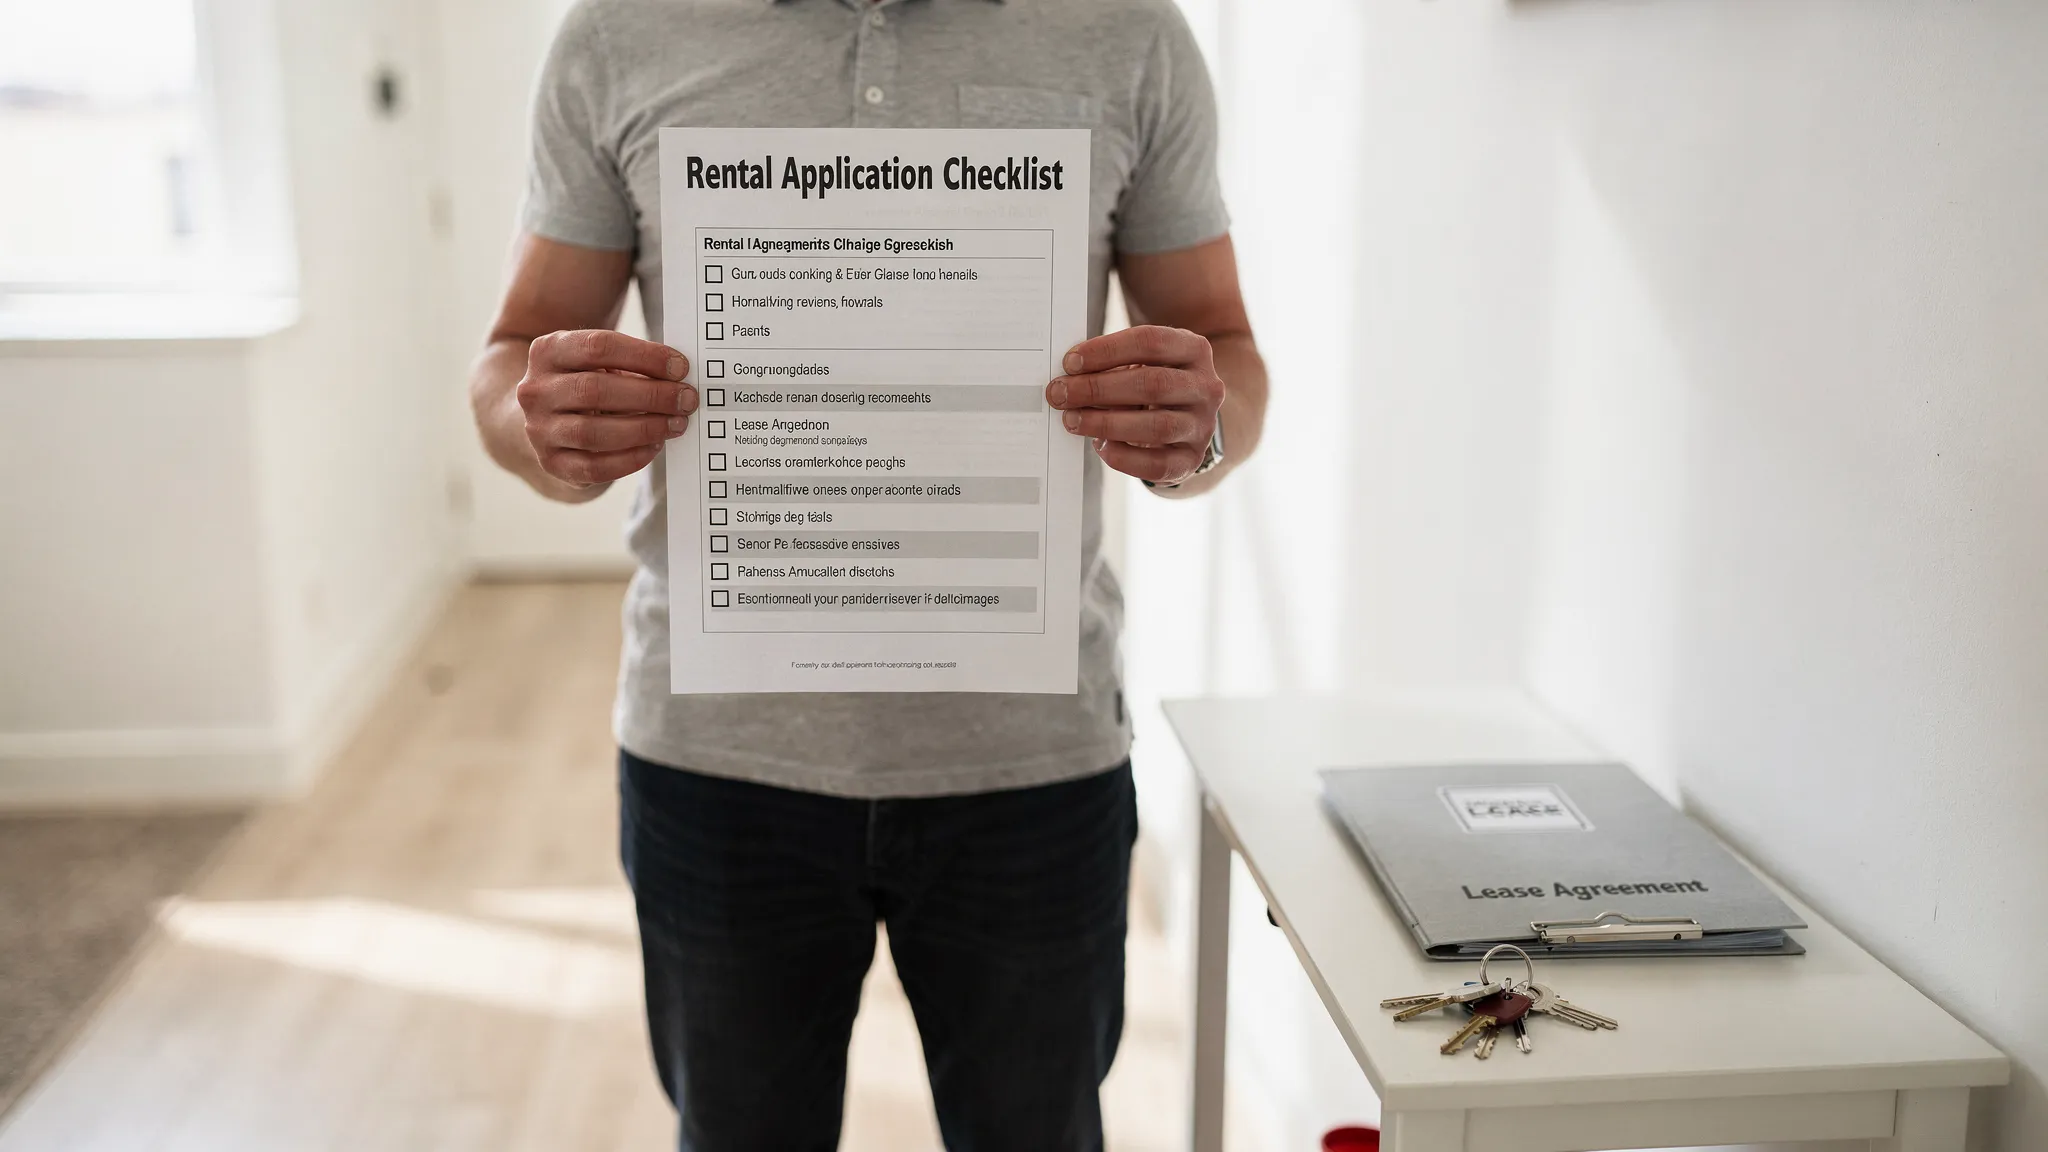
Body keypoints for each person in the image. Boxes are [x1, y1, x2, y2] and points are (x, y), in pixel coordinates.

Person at [468, 0, 1268, 1148]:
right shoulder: (619, 33)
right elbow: (512, 357)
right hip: (718, 763)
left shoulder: (1124, 30)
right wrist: (539, 424)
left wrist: (1199, 429)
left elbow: (1223, 353)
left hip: (1029, 764)